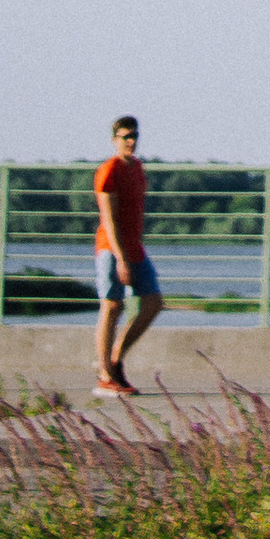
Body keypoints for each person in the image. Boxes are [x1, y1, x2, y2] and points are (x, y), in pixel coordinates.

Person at [92, 115, 163, 396]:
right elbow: (108, 221)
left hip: (134, 247)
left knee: (153, 303)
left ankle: (115, 359)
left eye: (134, 136)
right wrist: (121, 259)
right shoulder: (108, 170)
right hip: (112, 249)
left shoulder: (137, 168)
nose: (131, 141)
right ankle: (104, 376)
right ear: (114, 140)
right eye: (125, 137)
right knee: (112, 306)